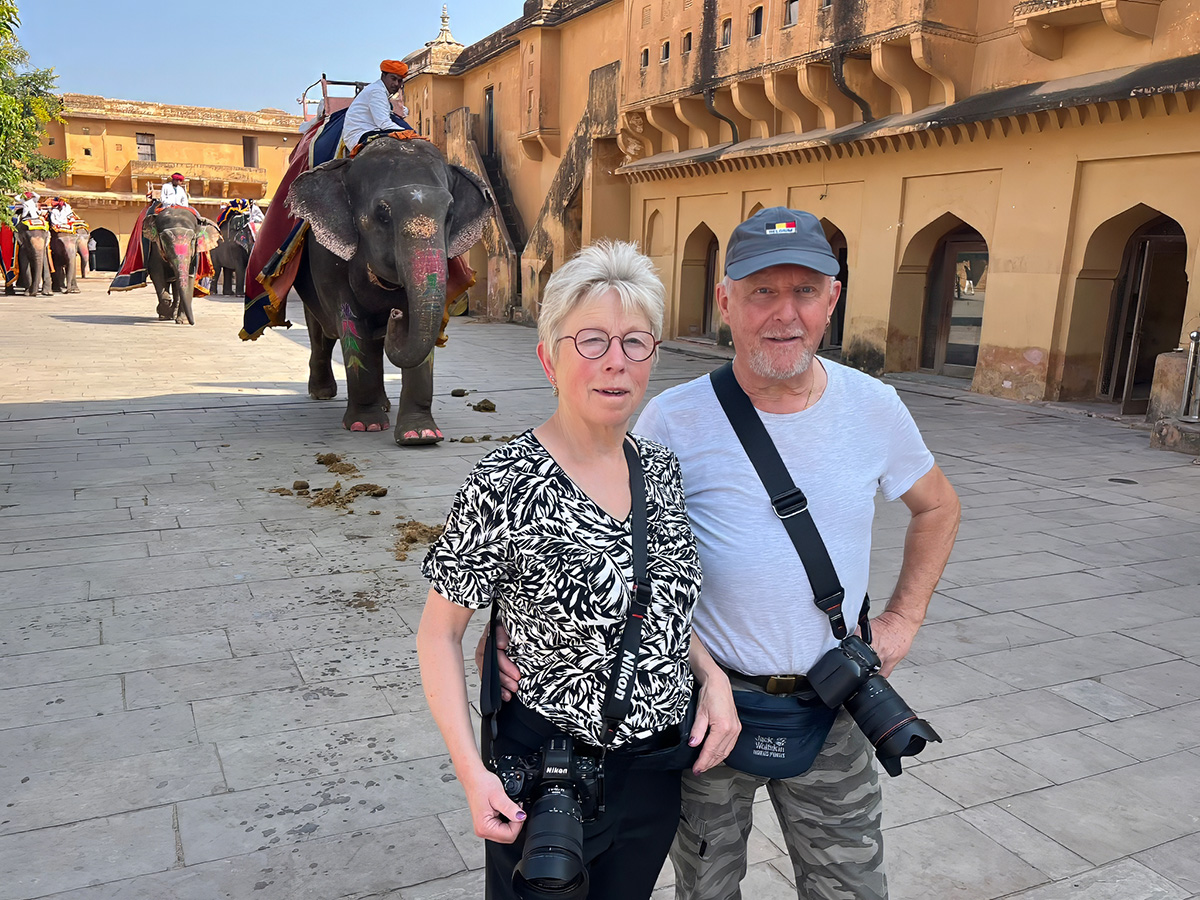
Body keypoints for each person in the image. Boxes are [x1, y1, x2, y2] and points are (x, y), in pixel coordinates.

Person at [487, 209, 961, 899]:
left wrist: (904, 619)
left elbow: (938, 506)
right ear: (725, 302)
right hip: (708, 712)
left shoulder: (873, 407)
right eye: (761, 292)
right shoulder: (672, 419)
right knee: (705, 887)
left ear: (833, 298)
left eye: (805, 290)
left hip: (836, 705)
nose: (784, 314)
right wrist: (511, 629)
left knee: (851, 887)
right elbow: (595, 540)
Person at [417, 241, 739, 900]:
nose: (615, 362)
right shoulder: (506, 480)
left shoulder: (660, 469)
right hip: (550, 781)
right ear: (549, 358)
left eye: (634, 342)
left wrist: (712, 679)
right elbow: (438, 633)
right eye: (590, 341)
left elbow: (664, 608)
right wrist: (472, 773)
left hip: (654, 775)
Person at [341, 59, 411, 153]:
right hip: (362, 134)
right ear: (383, 76)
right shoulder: (377, 91)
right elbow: (384, 123)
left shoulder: (380, 91)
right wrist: (410, 134)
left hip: (371, 131)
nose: (396, 84)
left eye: (399, 81)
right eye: (393, 79)